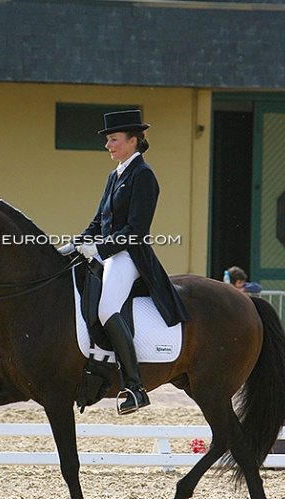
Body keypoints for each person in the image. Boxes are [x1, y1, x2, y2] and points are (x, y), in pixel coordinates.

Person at [59, 109, 188, 414]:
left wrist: (100, 250)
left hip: (129, 255)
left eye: (113, 139)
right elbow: (98, 221)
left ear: (133, 141)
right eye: (108, 140)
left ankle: (135, 386)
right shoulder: (114, 175)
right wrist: (76, 244)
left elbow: (136, 231)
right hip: (109, 253)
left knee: (107, 308)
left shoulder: (143, 176)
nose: (108, 145)